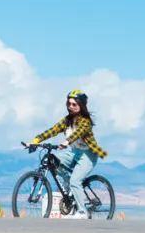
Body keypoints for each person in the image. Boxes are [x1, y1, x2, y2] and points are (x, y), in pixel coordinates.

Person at [26, 89, 108, 219]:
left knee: (75, 181)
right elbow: (52, 130)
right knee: (53, 160)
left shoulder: (85, 121)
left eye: (74, 104)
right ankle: (69, 187)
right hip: (74, 152)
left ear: (81, 105)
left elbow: (78, 133)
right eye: (69, 104)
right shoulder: (67, 120)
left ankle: (82, 212)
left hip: (88, 155)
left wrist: (66, 141)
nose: (71, 106)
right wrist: (36, 140)